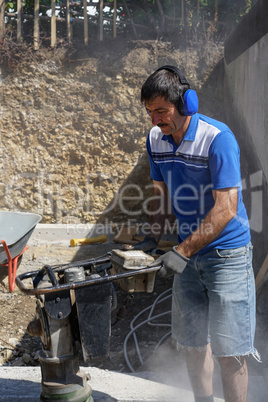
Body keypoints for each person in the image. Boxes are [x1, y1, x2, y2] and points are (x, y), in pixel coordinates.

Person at [136, 65, 260, 402]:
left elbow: (226, 208)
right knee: (191, 343)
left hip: (227, 257)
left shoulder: (218, 139)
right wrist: (151, 238)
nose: (154, 120)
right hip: (187, 254)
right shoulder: (155, 139)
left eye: (161, 110)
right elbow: (161, 194)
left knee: (230, 351)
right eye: (149, 112)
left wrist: (182, 251)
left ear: (187, 103)